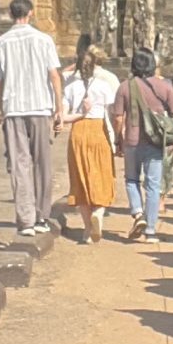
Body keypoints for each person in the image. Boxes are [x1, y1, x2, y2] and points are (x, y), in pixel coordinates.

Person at [0, 0, 61, 235]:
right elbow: (54, 75)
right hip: (40, 107)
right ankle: (41, 217)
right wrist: (59, 107)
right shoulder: (44, 40)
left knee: (19, 165)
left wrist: (1, 106)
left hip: (14, 108)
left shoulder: (1, 43)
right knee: (42, 164)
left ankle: (26, 220)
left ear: (10, 14)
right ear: (31, 13)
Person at [114, 46, 173, 242]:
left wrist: (118, 139)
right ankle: (151, 231)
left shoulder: (124, 87)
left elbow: (118, 118)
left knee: (131, 179)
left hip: (132, 140)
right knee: (153, 185)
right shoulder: (164, 86)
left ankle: (138, 213)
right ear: (153, 65)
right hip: (156, 141)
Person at [62, 44, 123, 244]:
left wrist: (80, 113)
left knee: (80, 178)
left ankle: (88, 229)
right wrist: (117, 137)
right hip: (99, 130)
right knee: (102, 174)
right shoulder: (104, 85)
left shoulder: (70, 87)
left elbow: (62, 117)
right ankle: (98, 212)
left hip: (78, 132)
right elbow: (114, 113)